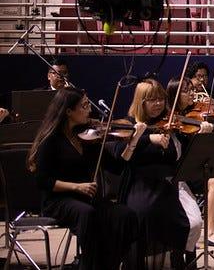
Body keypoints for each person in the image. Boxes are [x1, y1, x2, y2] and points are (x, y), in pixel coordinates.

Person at [27, 88, 138, 269]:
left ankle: (108, 264)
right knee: (87, 214)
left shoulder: (88, 138)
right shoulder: (51, 140)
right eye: (84, 106)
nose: (89, 110)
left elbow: (117, 167)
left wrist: (133, 143)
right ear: (69, 111)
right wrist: (76, 187)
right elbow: (43, 181)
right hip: (58, 201)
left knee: (125, 215)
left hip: (85, 199)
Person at [117, 78, 207, 268]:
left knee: (187, 220)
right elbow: (118, 149)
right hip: (140, 184)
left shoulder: (170, 123)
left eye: (160, 99)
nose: (158, 104)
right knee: (146, 212)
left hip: (168, 186)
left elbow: (183, 157)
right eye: (152, 100)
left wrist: (198, 136)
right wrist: (148, 137)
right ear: (141, 102)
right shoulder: (131, 123)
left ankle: (180, 262)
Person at [166, 77, 214, 248]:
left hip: (195, 167)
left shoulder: (193, 114)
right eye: (186, 91)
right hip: (181, 171)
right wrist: (199, 136)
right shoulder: (172, 118)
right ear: (175, 94)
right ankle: (209, 233)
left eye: (191, 90)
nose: (192, 94)